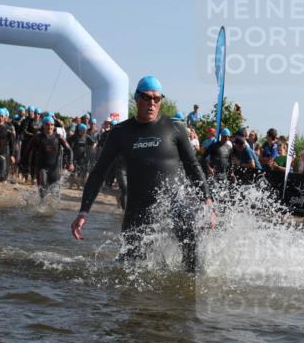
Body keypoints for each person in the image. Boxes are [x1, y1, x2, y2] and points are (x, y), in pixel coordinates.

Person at [71, 76, 213, 273]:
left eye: (157, 98)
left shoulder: (175, 128)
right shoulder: (121, 132)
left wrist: (207, 200)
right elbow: (98, 172)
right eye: (146, 98)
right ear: (136, 99)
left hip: (174, 204)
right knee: (129, 270)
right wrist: (83, 211)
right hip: (138, 210)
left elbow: (193, 167)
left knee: (194, 261)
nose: (152, 103)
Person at [26, 115, 74, 203]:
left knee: (55, 194)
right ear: (43, 125)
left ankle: (51, 212)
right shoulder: (37, 137)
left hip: (54, 170)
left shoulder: (59, 137)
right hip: (42, 168)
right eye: (47, 124)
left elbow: (69, 150)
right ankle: (41, 208)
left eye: (52, 125)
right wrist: (26, 164)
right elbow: (28, 150)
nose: (50, 127)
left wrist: (70, 163)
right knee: (43, 191)